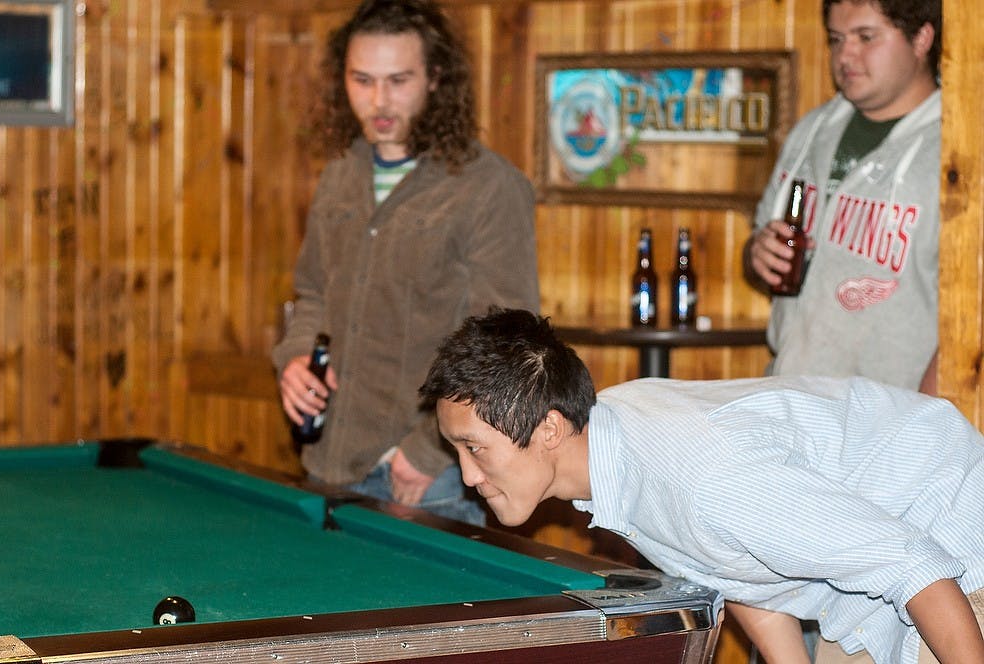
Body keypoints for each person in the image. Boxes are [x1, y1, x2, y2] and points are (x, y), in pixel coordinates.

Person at [419, 308, 984, 664]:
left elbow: (916, 568)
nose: (467, 476)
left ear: (548, 429)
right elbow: (737, 568)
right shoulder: (610, 450)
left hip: (950, 537)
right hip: (877, 569)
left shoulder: (703, 480)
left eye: (474, 448)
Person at [272, 0, 540, 525]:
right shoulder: (340, 175)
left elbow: (506, 346)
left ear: (436, 77)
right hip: (329, 460)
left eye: (398, 80)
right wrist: (296, 358)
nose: (378, 101)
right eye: (362, 80)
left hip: (431, 477)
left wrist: (428, 450)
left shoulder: (489, 187)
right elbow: (313, 295)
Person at [744, 0, 941, 393]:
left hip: (894, 411)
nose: (844, 55)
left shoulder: (958, 152)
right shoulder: (812, 131)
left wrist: (932, 415)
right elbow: (757, 257)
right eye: (836, 39)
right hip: (789, 393)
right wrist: (757, 254)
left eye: (866, 37)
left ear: (921, 39)